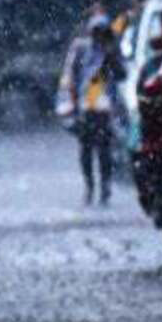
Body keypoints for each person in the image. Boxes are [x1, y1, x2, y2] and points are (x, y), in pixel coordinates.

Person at [57, 16, 122, 206]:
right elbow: (71, 75)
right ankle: (90, 187)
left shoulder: (111, 51)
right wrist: (71, 104)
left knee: (104, 152)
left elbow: (121, 74)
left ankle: (105, 188)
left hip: (104, 108)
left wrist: (111, 57)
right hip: (86, 108)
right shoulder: (81, 49)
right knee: (86, 151)